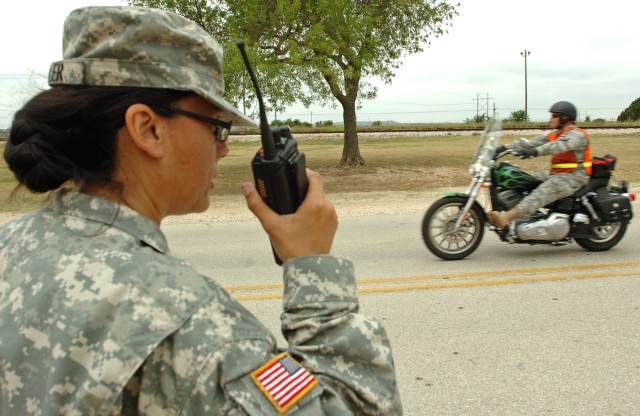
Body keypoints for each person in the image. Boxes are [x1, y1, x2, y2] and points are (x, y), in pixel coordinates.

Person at [0, 6, 402, 415]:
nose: (223, 148)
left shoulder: (10, 246)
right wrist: (314, 270)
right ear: (148, 129)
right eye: (216, 126)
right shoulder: (195, 325)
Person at [488, 101, 592, 228]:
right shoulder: (555, 134)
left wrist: (535, 152)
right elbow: (531, 144)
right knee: (524, 181)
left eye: (554, 115)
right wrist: (503, 148)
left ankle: (507, 217)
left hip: (575, 176)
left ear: (565, 118)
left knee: (541, 192)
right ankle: (527, 218)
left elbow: (557, 146)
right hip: (557, 173)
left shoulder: (577, 134)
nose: (551, 119)